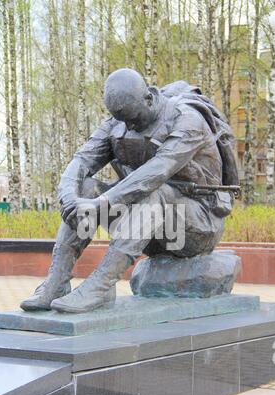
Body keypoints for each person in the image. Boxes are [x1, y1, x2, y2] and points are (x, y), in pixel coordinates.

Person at [21, 68, 238, 314]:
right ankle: (56, 282)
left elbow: (157, 171)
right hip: (146, 225)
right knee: (87, 188)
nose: (129, 126)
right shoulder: (118, 122)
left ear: (149, 98)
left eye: (134, 119)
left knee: (156, 192)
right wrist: (70, 196)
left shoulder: (187, 121)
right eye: (123, 120)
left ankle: (101, 285)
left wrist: (102, 204)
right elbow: (81, 161)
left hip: (197, 226)